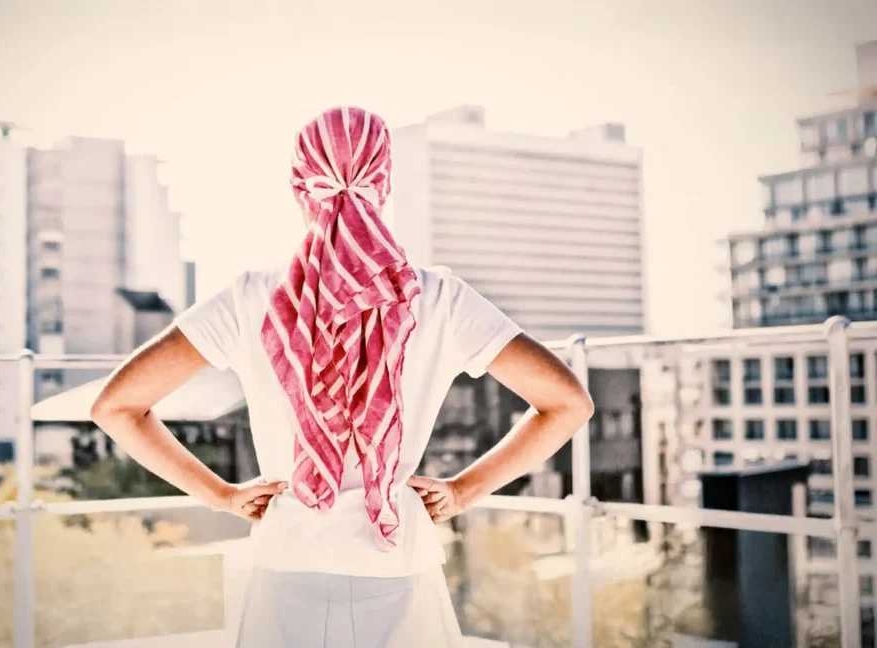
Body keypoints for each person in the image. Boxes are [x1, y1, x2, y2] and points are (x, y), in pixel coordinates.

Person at [90, 106, 594, 647]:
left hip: (287, 558)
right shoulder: (441, 298)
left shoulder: (250, 298)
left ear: (298, 187)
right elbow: (568, 402)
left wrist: (222, 496)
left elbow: (116, 406)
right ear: (384, 185)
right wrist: (463, 491)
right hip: (396, 558)